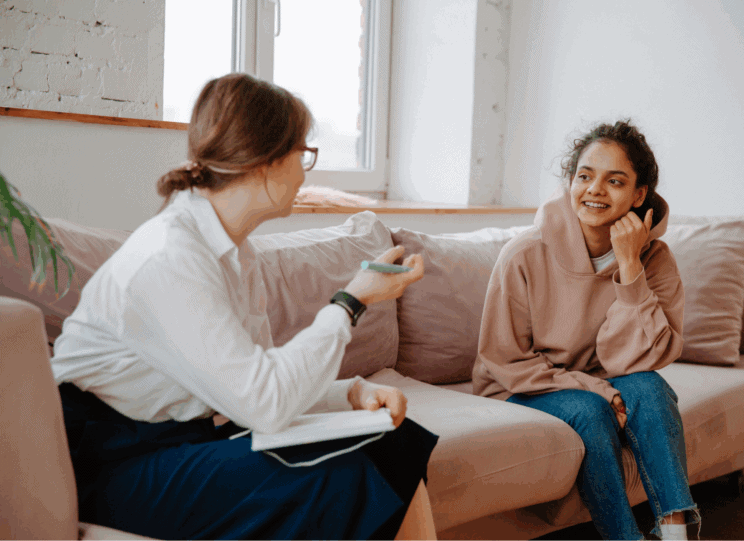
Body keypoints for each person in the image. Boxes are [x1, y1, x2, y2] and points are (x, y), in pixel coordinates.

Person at [50, 73, 438, 540]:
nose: (304, 170)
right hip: (110, 463)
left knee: (395, 440)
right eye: (304, 154)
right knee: (334, 478)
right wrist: (350, 301)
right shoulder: (169, 257)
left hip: (180, 440)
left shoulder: (236, 251)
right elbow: (266, 405)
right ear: (267, 161)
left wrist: (350, 393)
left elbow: (256, 379)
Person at [472, 120, 700, 540]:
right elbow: (504, 360)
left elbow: (643, 360)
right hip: (520, 387)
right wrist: (599, 390)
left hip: (598, 380)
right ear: (570, 182)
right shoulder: (523, 254)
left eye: (614, 181)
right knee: (591, 410)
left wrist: (630, 268)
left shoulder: (656, 259)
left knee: (650, 388)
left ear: (639, 195)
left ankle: (675, 533)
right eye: (584, 176)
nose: (595, 190)